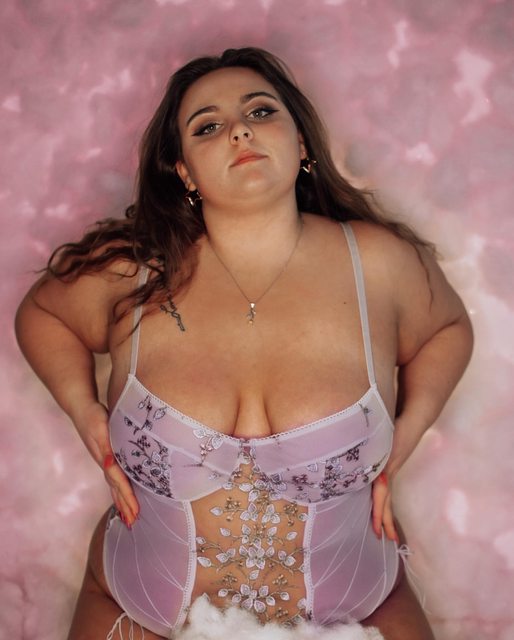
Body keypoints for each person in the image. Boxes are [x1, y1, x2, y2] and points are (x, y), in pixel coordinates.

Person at [15, 47, 473, 640]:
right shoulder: (134, 271)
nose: (239, 131)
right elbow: (42, 314)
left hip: (359, 604)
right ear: (184, 172)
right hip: (141, 610)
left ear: (300, 143)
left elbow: (446, 330)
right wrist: (85, 413)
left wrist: (406, 434)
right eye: (208, 126)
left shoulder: (379, 264)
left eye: (260, 112)